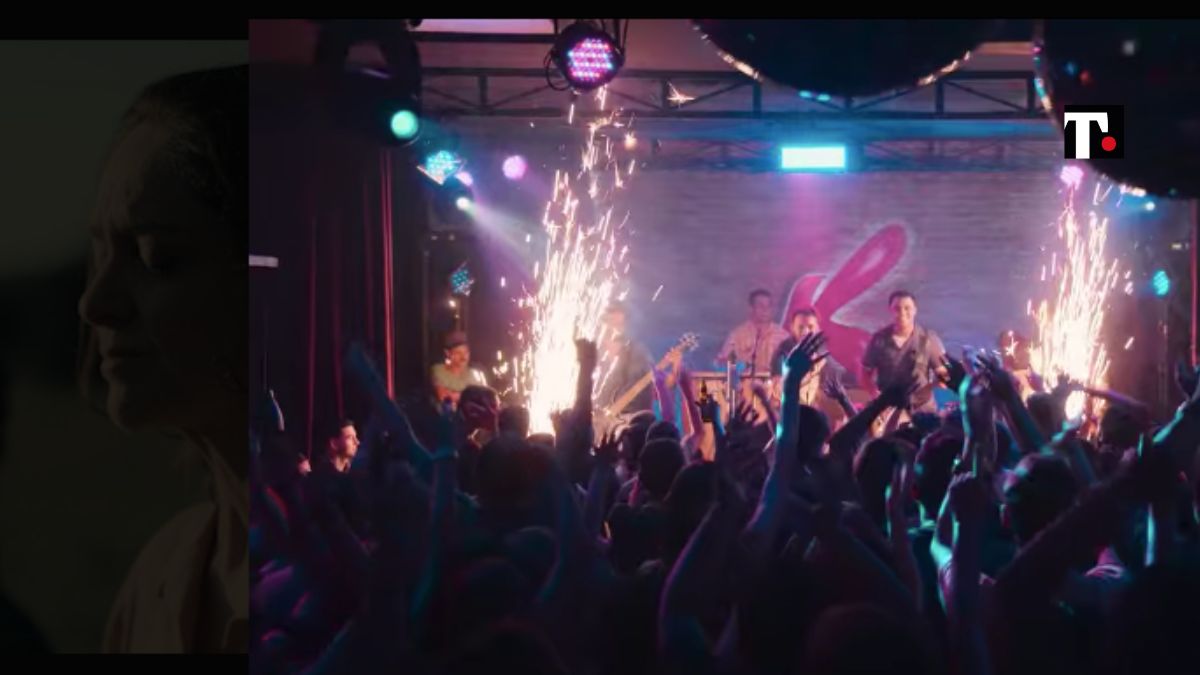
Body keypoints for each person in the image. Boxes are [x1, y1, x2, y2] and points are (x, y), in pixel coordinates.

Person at [77, 66, 247, 653]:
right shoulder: (159, 577)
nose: (94, 303)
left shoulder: (353, 588)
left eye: (155, 257)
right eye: (99, 254)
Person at [861, 290, 948, 414]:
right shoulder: (879, 339)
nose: (902, 313)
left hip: (923, 412)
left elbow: (944, 376)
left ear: (915, 310)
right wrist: (875, 395)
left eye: (907, 308)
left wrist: (929, 387)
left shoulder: (927, 339)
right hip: (888, 411)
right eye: (897, 308)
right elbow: (865, 373)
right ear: (890, 310)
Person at [594, 302, 654, 417]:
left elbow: (634, 388)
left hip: (631, 416)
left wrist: (609, 409)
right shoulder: (612, 361)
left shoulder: (636, 353)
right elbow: (607, 388)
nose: (605, 343)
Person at [715, 288, 789, 377]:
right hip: (744, 382)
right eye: (761, 306)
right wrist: (741, 366)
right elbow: (722, 364)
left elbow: (792, 365)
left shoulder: (782, 336)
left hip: (774, 382)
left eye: (769, 306)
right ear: (751, 308)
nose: (765, 310)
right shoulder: (737, 336)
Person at [431, 330, 487, 407]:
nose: (463, 357)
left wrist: (455, 395)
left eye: (466, 352)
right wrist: (472, 397)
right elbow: (444, 397)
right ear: (447, 353)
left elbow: (485, 397)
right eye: (458, 353)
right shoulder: (439, 370)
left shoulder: (475, 372)